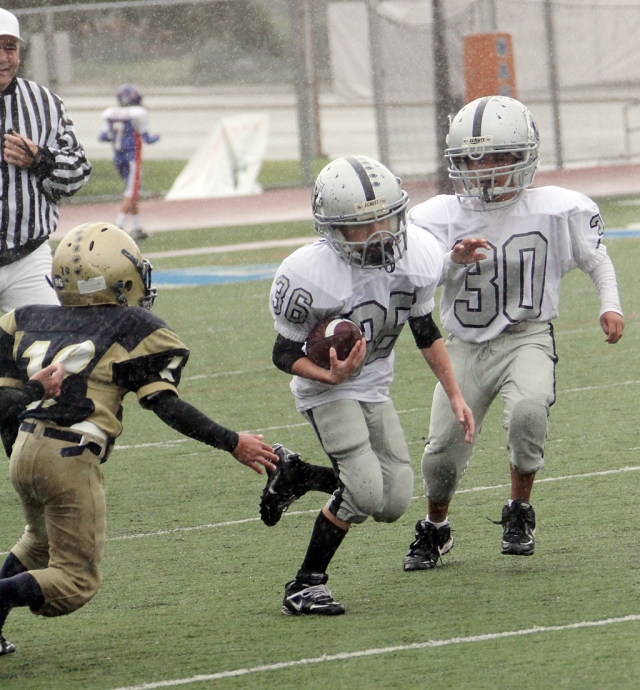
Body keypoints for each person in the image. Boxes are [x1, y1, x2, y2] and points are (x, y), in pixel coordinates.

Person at [0, 222, 278, 656]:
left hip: (23, 447)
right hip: (70, 453)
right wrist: (232, 441)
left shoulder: (25, 318)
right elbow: (164, 405)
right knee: (74, 581)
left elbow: (6, 402)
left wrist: (24, 457)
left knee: (36, 543)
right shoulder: (133, 326)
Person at [402, 95, 625, 571]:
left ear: (524, 157)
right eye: (472, 159)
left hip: (527, 335)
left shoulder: (557, 209)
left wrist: (611, 304)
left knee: (528, 413)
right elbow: (416, 284)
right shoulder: (436, 217)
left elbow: (595, 259)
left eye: (499, 157)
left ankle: (519, 510)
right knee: (441, 453)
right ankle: (435, 527)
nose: (485, 171)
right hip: (463, 344)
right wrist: (452, 261)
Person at [263, 155, 474, 616]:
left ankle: (298, 474)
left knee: (393, 501)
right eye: (362, 226)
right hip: (328, 390)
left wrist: (456, 394)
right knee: (361, 489)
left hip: (374, 383)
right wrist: (329, 375)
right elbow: (283, 353)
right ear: (333, 230)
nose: (379, 232)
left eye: (385, 218)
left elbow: (424, 330)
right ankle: (305, 584)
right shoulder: (308, 273)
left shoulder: (417, 254)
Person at [0, 8, 91, 313]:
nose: (2, 57)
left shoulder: (45, 103)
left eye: (9, 47)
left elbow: (78, 173)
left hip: (27, 258)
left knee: (54, 348)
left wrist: (42, 161)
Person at [98, 84, 160, 241]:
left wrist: (119, 136)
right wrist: (157, 137)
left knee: (132, 192)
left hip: (118, 158)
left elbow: (103, 137)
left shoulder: (110, 113)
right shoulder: (138, 113)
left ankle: (137, 227)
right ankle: (118, 225)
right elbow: (148, 139)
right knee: (131, 192)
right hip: (132, 157)